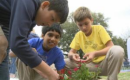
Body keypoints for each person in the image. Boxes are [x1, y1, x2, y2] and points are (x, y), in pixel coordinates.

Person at [0, 0, 69, 80]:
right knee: (2, 44)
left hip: (5, 22)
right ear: (45, 5)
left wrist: (38, 68)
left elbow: (21, 44)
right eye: (52, 18)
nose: (50, 24)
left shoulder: (32, 20)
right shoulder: (28, 3)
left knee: (3, 54)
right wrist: (50, 73)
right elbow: (18, 44)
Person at [65, 7, 124, 80]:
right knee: (65, 62)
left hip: (106, 64)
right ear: (76, 24)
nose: (83, 27)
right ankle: (88, 78)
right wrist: (72, 55)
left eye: (86, 23)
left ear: (91, 20)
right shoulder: (78, 35)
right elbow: (71, 52)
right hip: (90, 66)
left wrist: (95, 53)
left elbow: (110, 47)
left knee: (117, 50)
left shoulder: (99, 29)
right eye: (80, 25)